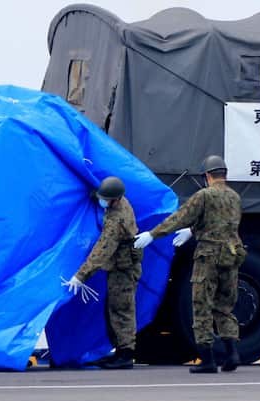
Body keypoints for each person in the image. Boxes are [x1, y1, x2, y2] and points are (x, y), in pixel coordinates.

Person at [134, 155, 246, 373]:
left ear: (206, 176)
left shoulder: (204, 195)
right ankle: (233, 353)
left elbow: (179, 218)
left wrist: (153, 234)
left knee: (201, 305)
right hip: (231, 254)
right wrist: (193, 231)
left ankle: (208, 360)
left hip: (209, 255)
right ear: (224, 174)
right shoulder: (234, 197)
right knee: (225, 306)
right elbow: (223, 224)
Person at [64, 176, 143, 370]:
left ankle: (125, 355)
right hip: (119, 267)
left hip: (123, 270)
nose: (102, 202)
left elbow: (103, 250)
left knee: (121, 310)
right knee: (113, 310)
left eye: (105, 199)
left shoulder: (118, 219)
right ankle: (120, 351)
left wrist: (81, 275)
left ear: (114, 200)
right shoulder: (118, 200)